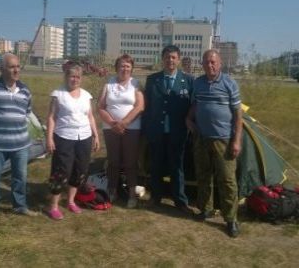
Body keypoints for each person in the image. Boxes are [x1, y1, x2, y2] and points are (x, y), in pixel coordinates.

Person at [186, 49, 243, 238]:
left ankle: (231, 219)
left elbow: (238, 115)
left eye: (213, 62)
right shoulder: (198, 83)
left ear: (219, 64)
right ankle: (206, 209)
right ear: (202, 64)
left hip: (224, 139)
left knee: (227, 180)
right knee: (203, 176)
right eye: (206, 62)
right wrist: (189, 118)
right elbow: (196, 104)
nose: (209, 65)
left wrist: (236, 141)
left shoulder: (229, 83)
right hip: (201, 138)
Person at [0, 53, 37, 220]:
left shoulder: (25, 90)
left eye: (18, 66)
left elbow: (27, 112)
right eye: (12, 67)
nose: (16, 70)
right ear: (2, 69)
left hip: (20, 144)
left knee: (20, 177)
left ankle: (20, 206)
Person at [143, 45, 194, 213]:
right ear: (162, 59)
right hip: (157, 132)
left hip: (178, 132)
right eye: (167, 57)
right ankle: (155, 197)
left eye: (173, 57)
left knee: (176, 167)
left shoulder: (188, 81)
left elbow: (193, 106)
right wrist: (147, 130)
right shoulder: (152, 80)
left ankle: (180, 201)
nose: (170, 60)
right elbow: (147, 107)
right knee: (156, 165)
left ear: (178, 60)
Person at [46, 61, 100, 220]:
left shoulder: (86, 95)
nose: (75, 80)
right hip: (64, 138)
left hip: (84, 137)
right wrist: (49, 138)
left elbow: (90, 116)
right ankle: (54, 206)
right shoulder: (58, 94)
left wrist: (96, 135)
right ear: (66, 76)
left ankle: (70, 201)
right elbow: (51, 117)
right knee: (61, 172)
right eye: (72, 76)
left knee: (80, 170)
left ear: (81, 79)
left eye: (78, 77)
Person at [97, 54, 144, 208]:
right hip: (111, 129)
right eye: (122, 66)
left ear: (131, 69)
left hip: (131, 129)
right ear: (117, 68)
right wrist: (112, 123)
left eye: (127, 66)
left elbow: (140, 106)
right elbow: (101, 107)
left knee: (130, 162)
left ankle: (131, 195)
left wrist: (123, 123)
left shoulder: (136, 84)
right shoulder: (108, 84)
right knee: (113, 161)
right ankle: (112, 191)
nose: (124, 69)